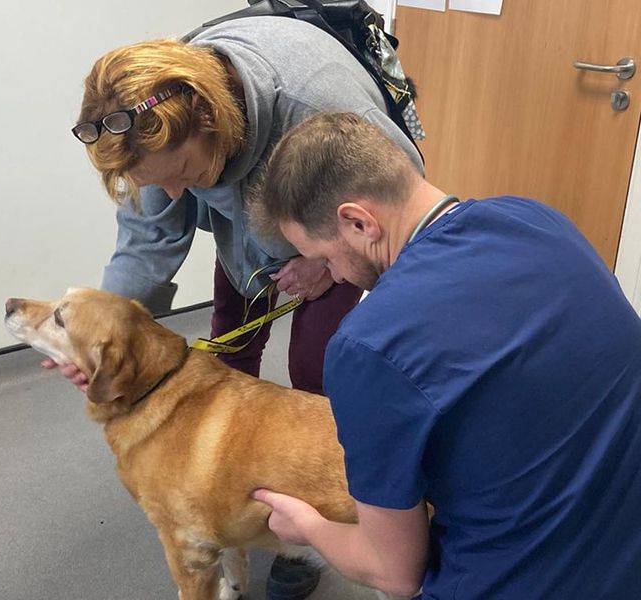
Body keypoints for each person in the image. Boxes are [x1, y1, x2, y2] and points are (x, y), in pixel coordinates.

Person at [50, 16, 424, 600]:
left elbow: (400, 209)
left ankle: (319, 533)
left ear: (211, 119)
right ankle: (231, 503)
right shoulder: (149, 131)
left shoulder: (317, 100)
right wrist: (98, 335)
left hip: (333, 236)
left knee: (320, 374)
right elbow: (147, 242)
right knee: (224, 358)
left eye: (186, 175)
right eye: (160, 184)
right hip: (246, 231)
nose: (175, 196)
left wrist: (326, 262)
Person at [249, 111, 641, 599]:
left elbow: (393, 572)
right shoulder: (537, 219)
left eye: (324, 258)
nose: (334, 275)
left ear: (358, 222)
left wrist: (307, 529)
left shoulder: (368, 345)